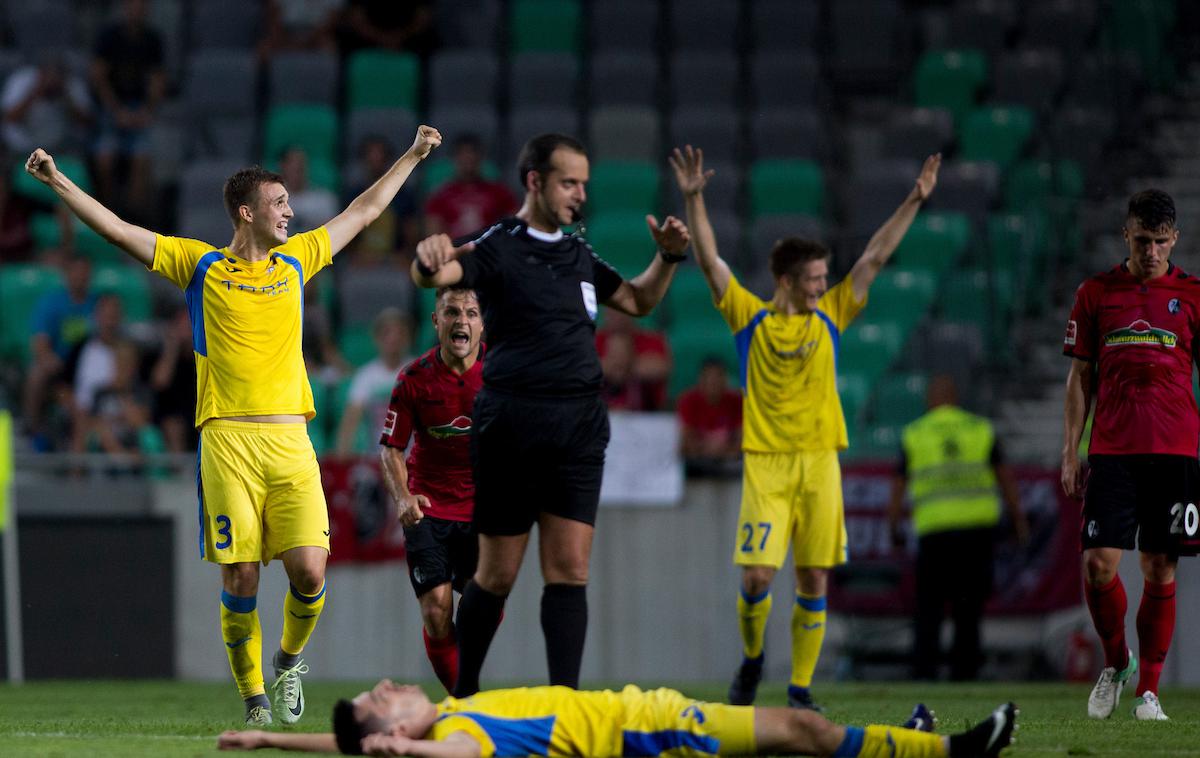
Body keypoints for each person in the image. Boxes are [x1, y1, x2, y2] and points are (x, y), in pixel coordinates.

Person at [24, 124, 443, 724]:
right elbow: (119, 231)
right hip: (227, 439)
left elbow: (365, 209)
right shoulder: (200, 266)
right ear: (246, 212)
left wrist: (413, 154)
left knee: (309, 568)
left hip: (291, 439)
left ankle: (289, 660)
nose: (290, 213)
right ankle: (253, 700)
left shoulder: (296, 261)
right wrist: (59, 180)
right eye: (279, 204)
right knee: (242, 573)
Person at [411, 133, 691, 697]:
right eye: (569, 182)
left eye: (584, 184)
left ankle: (566, 705)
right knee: (497, 575)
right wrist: (427, 260)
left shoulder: (579, 254)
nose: (579, 194)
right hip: (512, 429)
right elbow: (435, 276)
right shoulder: (497, 246)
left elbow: (638, 301)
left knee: (570, 571)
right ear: (535, 181)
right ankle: (463, 698)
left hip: (579, 430)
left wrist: (668, 257)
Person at [667, 145, 941, 711]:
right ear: (786, 280)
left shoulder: (832, 315)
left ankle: (799, 691)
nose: (822, 286)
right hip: (767, 465)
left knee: (814, 580)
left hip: (820, 462)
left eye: (823, 277)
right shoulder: (751, 319)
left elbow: (875, 256)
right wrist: (694, 200)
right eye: (813, 278)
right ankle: (750, 663)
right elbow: (712, 262)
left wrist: (914, 199)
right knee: (756, 582)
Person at [1061, 188, 1197, 722]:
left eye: (1161, 242)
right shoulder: (1096, 293)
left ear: (1175, 239)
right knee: (1098, 565)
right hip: (1112, 448)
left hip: (1175, 448)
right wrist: (1070, 452)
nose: (1152, 252)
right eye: (1143, 240)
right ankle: (1116, 664)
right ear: (1126, 235)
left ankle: (1150, 690)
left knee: (1161, 565)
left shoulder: (1193, 295)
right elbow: (1080, 378)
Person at [216, 679, 1018, 758]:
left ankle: (906, 740)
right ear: (395, 735)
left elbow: (349, 745)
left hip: (651, 716)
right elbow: (453, 757)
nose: (388, 684)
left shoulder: (454, 713)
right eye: (379, 699)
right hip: (655, 732)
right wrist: (404, 749)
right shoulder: (461, 738)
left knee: (799, 742)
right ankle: (951, 750)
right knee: (802, 732)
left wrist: (265, 737)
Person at [886, 375, 1028, 682]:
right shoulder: (980, 429)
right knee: (969, 608)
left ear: (931, 399)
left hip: (934, 532)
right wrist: (1019, 521)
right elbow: (1005, 478)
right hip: (976, 531)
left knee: (929, 608)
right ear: (955, 397)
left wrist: (894, 527)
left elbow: (899, 485)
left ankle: (924, 672)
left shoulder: (915, 433)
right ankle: (965, 672)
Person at [378, 287, 483, 693]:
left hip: (482, 509)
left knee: (480, 609)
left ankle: (466, 690)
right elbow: (390, 449)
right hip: (429, 507)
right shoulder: (414, 378)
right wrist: (403, 497)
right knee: (438, 610)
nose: (462, 321)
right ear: (436, 321)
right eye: (452, 312)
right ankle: (465, 700)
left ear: (481, 323)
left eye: (471, 313)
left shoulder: (501, 373)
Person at [88, 0, 166, 216]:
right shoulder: (109, 37)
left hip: (139, 109)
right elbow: (98, 76)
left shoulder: (153, 39)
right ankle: (106, 214)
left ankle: (133, 220)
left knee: (142, 159)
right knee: (104, 159)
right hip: (111, 109)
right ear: (125, 8)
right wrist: (116, 111)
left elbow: (157, 80)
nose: (136, 11)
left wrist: (147, 111)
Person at [22, 254, 96, 448]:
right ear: (67, 274)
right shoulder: (51, 303)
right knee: (37, 373)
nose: (80, 276)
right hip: (60, 368)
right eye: (76, 271)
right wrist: (50, 361)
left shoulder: (97, 304)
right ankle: (32, 428)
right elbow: (40, 342)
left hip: (88, 368)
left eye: (84, 272)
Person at [334, 308, 414, 456]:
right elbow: (351, 419)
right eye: (387, 333)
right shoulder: (365, 376)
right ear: (377, 338)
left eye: (399, 333)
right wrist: (342, 456)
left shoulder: (419, 372)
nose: (393, 339)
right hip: (376, 460)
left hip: (412, 460)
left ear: (408, 338)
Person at [423, 134, 518, 240]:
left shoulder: (499, 193)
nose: (468, 158)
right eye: (463, 154)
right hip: (454, 251)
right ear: (454, 158)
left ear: (480, 157)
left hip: (490, 251)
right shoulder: (441, 196)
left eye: (472, 153)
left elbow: (516, 225)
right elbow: (433, 233)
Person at [1, 53, 92, 156]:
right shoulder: (21, 80)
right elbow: (10, 118)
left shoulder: (71, 85)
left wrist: (66, 96)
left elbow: (86, 122)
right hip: (24, 147)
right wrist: (36, 91)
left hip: (63, 148)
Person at [677, 356, 743, 477]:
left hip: (729, 462)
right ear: (700, 379)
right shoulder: (688, 400)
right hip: (697, 463)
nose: (713, 382)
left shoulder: (736, 401)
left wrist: (726, 451)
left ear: (725, 379)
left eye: (718, 377)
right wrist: (706, 450)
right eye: (709, 378)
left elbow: (742, 437)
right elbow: (685, 440)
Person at [596, 309, 670, 411]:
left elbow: (662, 368)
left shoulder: (652, 339)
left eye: (621, 311)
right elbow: (577, 372)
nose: (617, 316)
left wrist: (619, 365)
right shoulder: (592, 340)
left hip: (646, 417)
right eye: (612, 311)